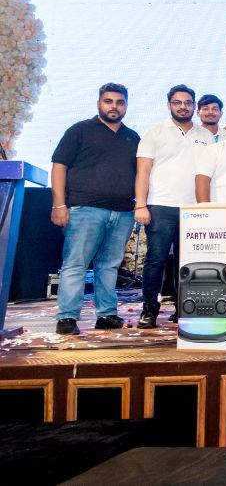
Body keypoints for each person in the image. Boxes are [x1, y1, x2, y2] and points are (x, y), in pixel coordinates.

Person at [50, 83, 140, 335]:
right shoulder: (79, 130)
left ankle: (106, 314)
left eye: (120, 102)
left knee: (109, 265)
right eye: (108, 101)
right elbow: (59, 167)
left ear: (126, 105)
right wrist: (59, 204)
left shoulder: (133, 137)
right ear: (99, 103)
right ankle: (67, 317)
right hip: (84, 210)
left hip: (123, 212)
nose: (114, 107)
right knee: (76, 264)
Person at [133, 84, 214, 328]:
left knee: (188, 262)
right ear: (169, 105)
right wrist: (141, 205)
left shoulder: (205, 136)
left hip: (195, 209)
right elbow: (143, 172)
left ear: (194, 106)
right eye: (177, 102)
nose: (183, 107)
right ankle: (149, 310)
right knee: (156, 260)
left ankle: (183, 308)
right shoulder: (154, 133)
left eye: (187, 102)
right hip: (161, 205)